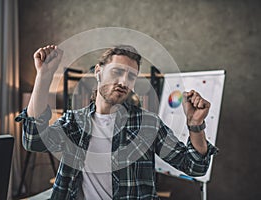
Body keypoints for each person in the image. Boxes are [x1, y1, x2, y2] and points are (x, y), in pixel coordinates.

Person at [15, 44, 218, 200]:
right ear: (98, 71)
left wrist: (195, 125)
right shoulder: (73, 121)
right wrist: (44, 75)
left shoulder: (147, 124)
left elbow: (195, 167)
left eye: (131, 76)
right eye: (117, 72)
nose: (123, 82)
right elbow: (33, 141)